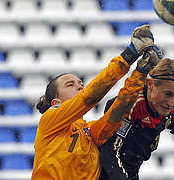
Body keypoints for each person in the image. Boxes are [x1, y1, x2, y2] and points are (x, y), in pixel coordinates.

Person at [31, 24, 162, 179]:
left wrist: (140, 73)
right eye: (70, 84)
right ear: (56, 102)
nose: (79, 86)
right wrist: (130, 54)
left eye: (80, 83)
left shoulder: (88, 131)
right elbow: (89, 97)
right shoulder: (49, 120)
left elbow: (118, 113)